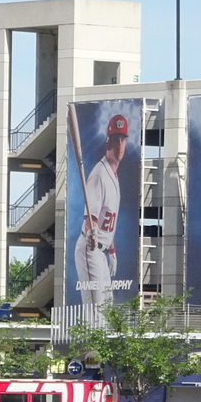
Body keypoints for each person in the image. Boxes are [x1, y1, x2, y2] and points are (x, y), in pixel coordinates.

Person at [75, 113, 128, 307]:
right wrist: (91, 231)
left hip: (102, 252)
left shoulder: (114, 174)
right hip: (90, 250)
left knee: (107, 308)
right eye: (116, 140)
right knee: (96, 311)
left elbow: (107, 219)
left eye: (123, 139)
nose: (120, 145)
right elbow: (92, 217)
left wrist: (112, 249)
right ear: (108, 141)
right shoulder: (99, 175)